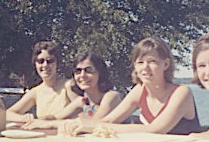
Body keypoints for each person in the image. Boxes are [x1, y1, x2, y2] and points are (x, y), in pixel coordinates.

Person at [65, 36, 201, 136]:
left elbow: (156, 129)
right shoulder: (140, 90)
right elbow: (109, 120)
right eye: (140, 62)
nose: (145, 68)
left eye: (152, 61)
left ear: (165, 64)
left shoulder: (182, 92)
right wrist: (80, 125)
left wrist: (95, 126)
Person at [23, 51, 122, 130]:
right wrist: (38, 121)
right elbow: (55, 117)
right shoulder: (83, 102)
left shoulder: (111, 96)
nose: (82, 75)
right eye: (78, 71)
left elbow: (94, 124)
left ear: (100, 73)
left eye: (89, 70)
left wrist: (51, 124)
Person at [6, 41, 79, 123]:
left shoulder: (68, 86)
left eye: (50, 61)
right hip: (44, 134)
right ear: (35, 64)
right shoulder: (36, 92)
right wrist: (23, 118)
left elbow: (88, 110)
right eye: (40, 61)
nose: (45, 65)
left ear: (57, 63)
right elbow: (8, 114)